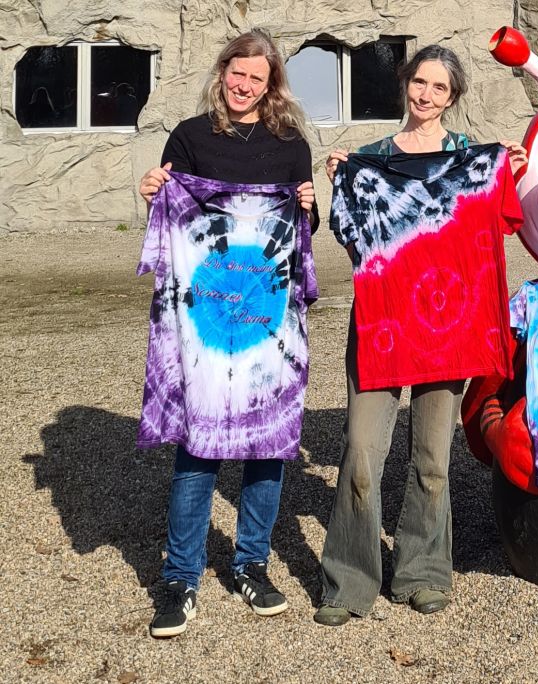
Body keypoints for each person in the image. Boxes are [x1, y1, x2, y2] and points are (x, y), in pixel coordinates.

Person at [314, 44, 526, 627]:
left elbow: (504, 220)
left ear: (452, 97)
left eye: (439, 88)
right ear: (405, 84)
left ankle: (424, 572)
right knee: (361, 451)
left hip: (445, 327)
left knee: (432, 457)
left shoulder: (469, 158)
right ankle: (349, 580)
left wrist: (508, 170)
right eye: (419, 83)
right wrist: (344, 180)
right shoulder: (372, 158)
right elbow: (349, 234)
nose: (426, 96)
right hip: (382, 325)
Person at [138, 29, 318, 638]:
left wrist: (309, 205)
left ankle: (250, 564)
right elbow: (176, 224)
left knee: (267, 440)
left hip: (269, 313)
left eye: (257, 79)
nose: (244, 86)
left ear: (272, 87)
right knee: (201, 438)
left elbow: (301, 230)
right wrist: (153, 195)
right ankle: (180, 575)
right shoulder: (190, 137)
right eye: (237, 74)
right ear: (222, 73)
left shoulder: (290, 144)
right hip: (205, 315)